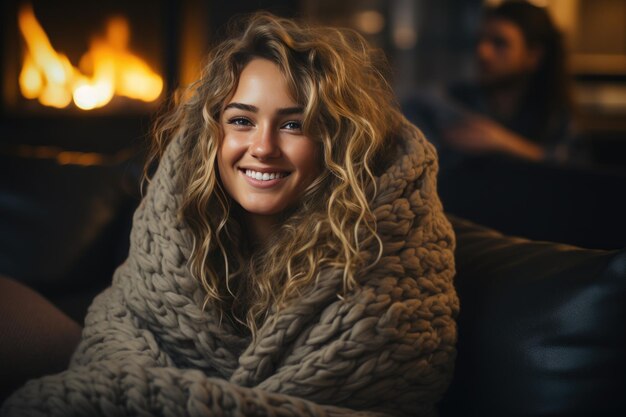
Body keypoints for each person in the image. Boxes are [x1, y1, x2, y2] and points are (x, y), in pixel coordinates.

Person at [1, 12, 458, 417]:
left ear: (335, 142)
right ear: (212, 134)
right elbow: (124, 326)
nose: (261, 147)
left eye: (293, 124)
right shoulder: (179, 235)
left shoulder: (383, 260)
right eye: (241, 120)